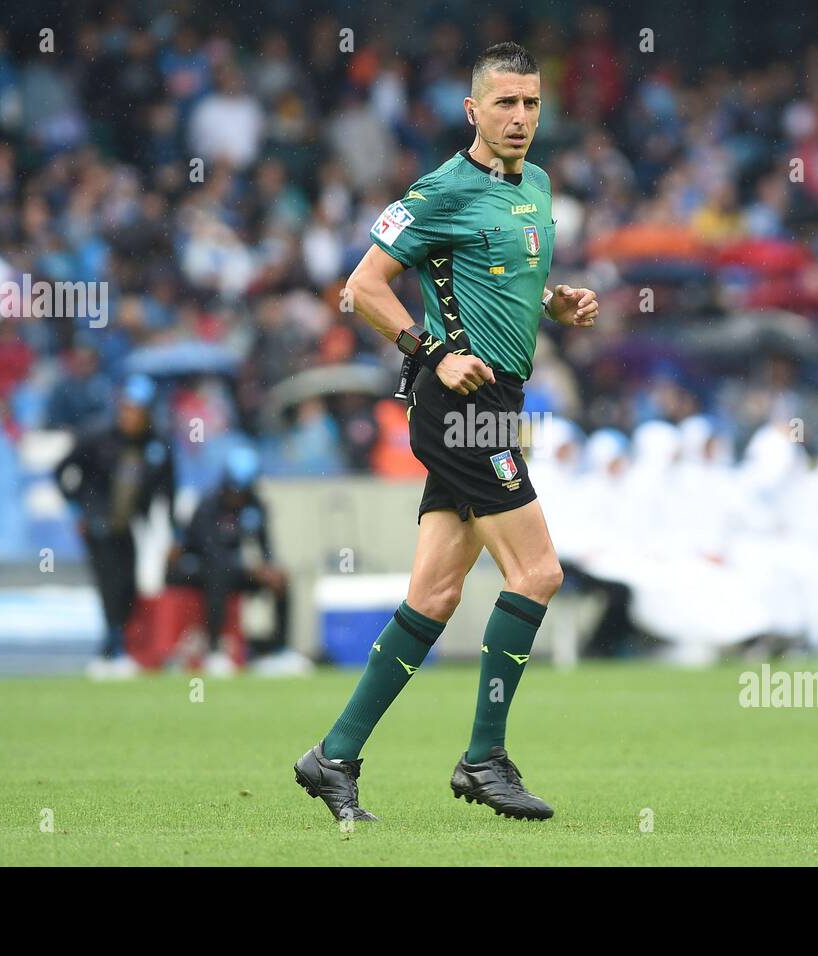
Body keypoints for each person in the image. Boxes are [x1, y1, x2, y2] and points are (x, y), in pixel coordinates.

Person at [293, 42, 599, 823]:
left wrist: (555, 303)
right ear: (473, 110)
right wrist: (430, 349)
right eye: (505, 103)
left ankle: (333, 757)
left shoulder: (536, 185)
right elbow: (361, 288)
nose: (521, 117)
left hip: (499, 399)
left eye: (531, 103)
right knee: (538, 574)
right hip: (459, 405)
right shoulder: (441, 190)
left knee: (433, 594)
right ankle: (483, 758)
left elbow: (502, 288)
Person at [54, 374, 175, 679]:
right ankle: (114, 648)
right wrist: (76, 508)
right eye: (126, 408)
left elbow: (167, 490)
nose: (129, 416)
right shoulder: (97, 436)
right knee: (110, 583)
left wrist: (173, 532)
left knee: (128, 585)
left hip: (128, 524)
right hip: (98, 522)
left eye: (136, 409)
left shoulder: (156, 445)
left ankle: (116, 647)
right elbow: (61, 470)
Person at [166, 445, 311, 677]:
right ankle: (215, 652)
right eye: (234, 489)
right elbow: (211, 552)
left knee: (280, 580)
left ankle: (279, 650)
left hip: (231, 569)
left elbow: (266, 549)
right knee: (218, 574)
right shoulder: (208, 506)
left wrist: (270, 568)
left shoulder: (254, 506)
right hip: (194, 567)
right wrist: (252, 569)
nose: (237, 496)